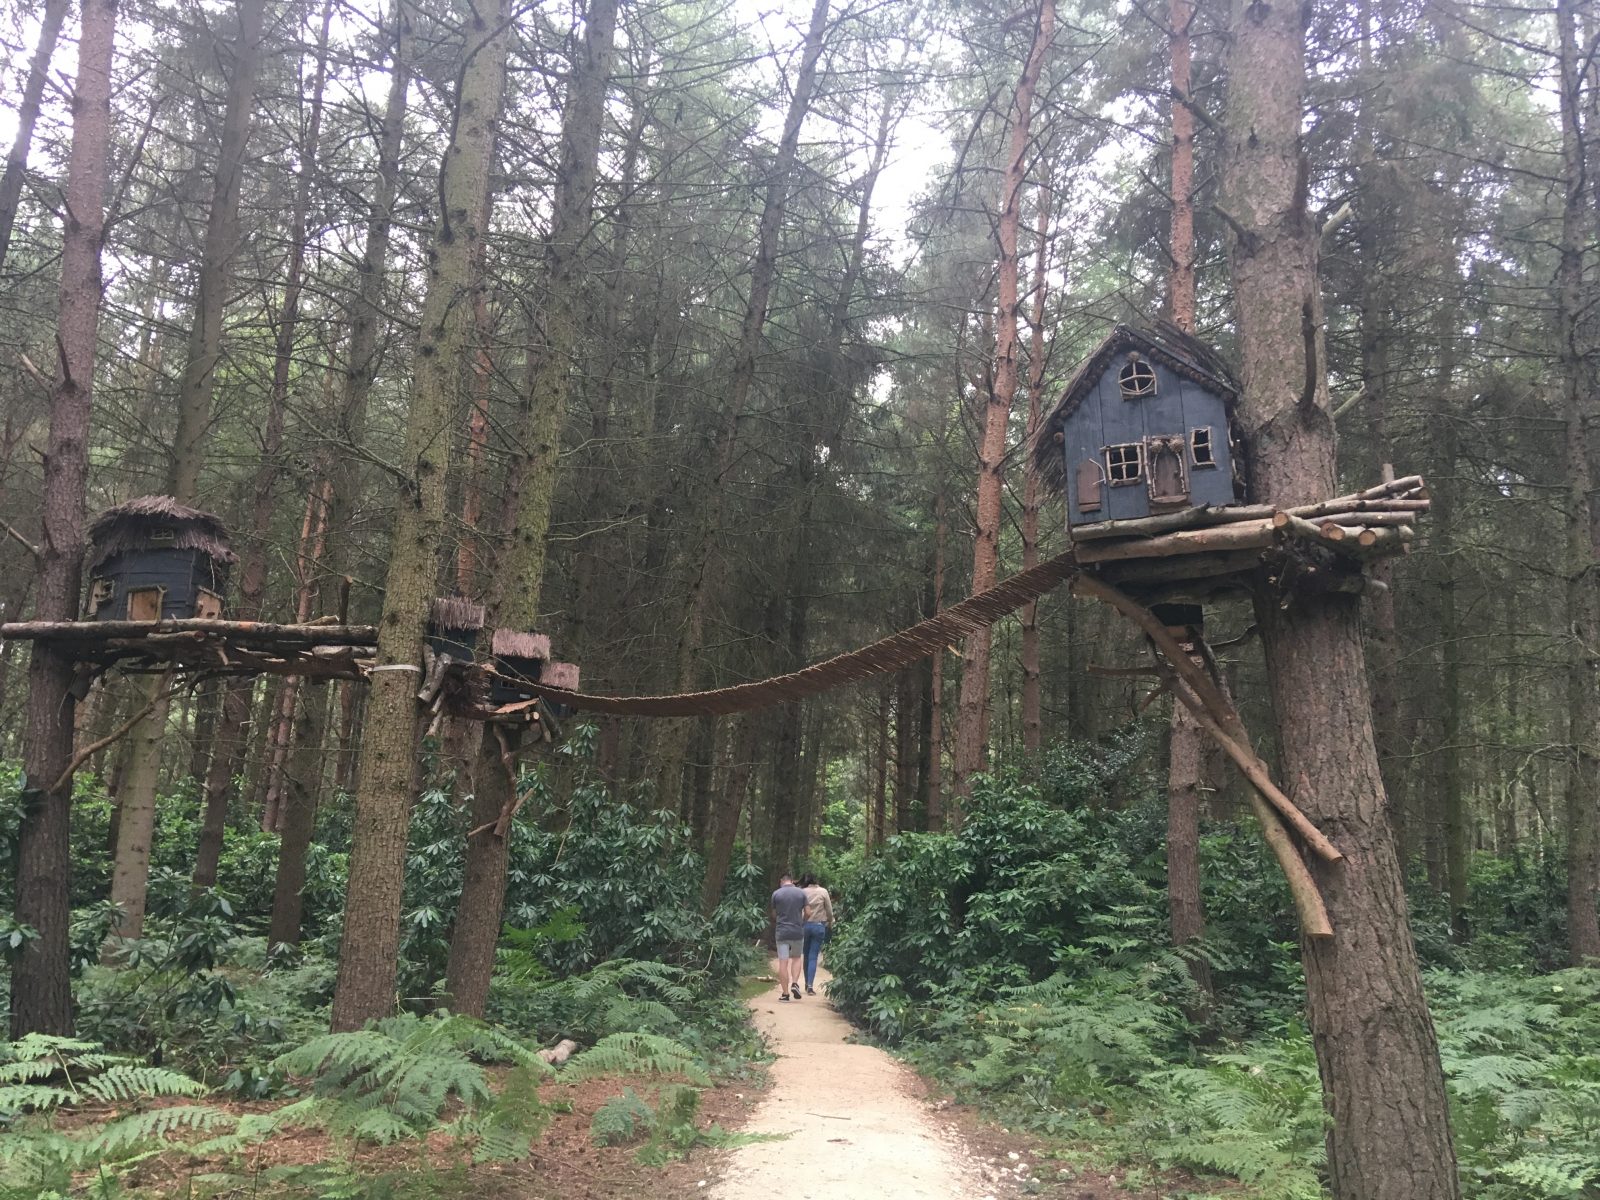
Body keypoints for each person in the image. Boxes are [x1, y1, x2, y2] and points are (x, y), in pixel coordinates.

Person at [770, 872, 808, 1002]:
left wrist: (780, 920)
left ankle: (785, 994)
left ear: (782, 881)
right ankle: (795, 983)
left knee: (783, 962)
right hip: (797, 930)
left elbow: (774, 914)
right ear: (792, 881)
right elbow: (808, 912)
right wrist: (802, 922)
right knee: (796, 958)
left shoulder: (776, 894)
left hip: (782, 932)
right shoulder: (801, 893)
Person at [800, 873, 834, 995]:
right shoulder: (823, 891)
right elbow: (829, 910)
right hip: (819, 926)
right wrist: (830, 921)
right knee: (813, 956)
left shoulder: (802, 892)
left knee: (806, 955)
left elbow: (799, 909)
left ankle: (805, 983)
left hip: (805, 926)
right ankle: (810, 986)